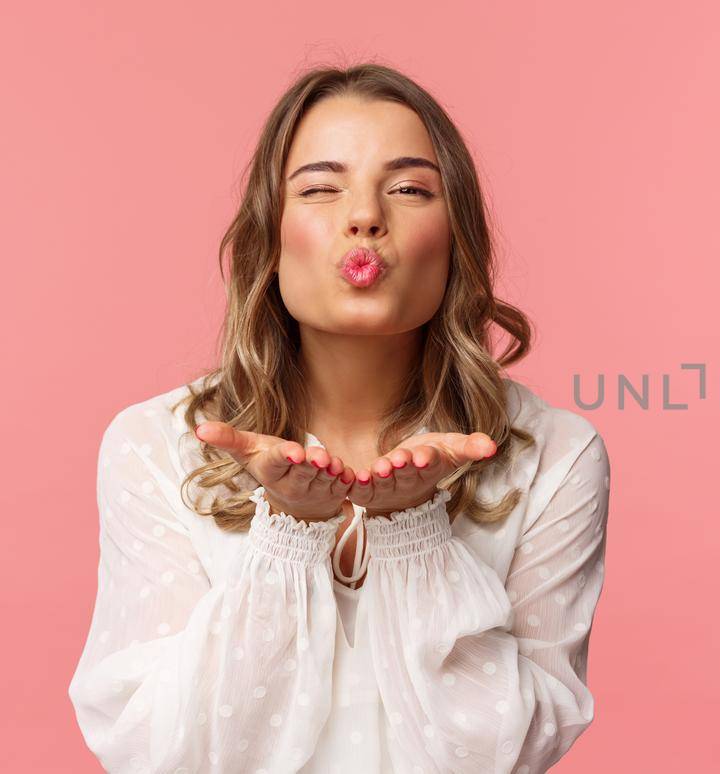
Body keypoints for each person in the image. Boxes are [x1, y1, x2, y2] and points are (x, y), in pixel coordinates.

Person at [66, 63, 611, 774]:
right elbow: (158, 753)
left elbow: (510, 755)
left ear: (456, 240)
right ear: (271, 236)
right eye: (321, 189)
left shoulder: (558, 458)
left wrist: (414, 534)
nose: (365, 216)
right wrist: (286, 535)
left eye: (410, 189)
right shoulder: (153, 448)